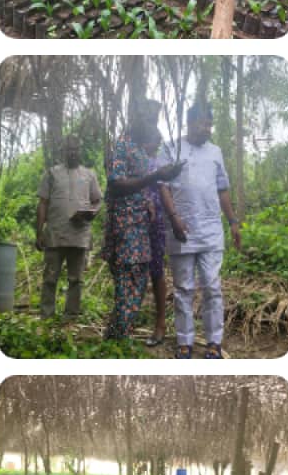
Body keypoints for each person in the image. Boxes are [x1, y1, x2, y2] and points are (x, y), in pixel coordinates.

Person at [158, 102, 241, 359]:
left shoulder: (215, 152)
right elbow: (162, 186)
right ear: (190, 123)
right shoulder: (171, 148)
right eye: (203, 123)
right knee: (183, 288)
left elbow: (222, 189)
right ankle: (185, 340)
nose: (207, 128)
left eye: (209, 124)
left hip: (211, 230)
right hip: (181, 229)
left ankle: (214, 341)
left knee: (212, 286)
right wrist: (174, 219)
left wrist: (233, 222)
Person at [102, 107, 183, 339]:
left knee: (137, 278)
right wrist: (155, 177)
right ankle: (117, 339)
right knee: (128, 277)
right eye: (148, 119)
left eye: (155, 120)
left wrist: (150, 197)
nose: (152, 124)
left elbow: (143, 184)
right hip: (126, 225)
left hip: (141, 226)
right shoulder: (121, 147)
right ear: (136, 119)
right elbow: (116, 184)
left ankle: (119, 335)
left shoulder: (139, 149)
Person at [35, 136, 102, 320]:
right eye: (69, 149)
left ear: (80, 150)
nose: (72, 153)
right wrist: (39, 231)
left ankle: (71, 316)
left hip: (79, 235)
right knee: (50, 278)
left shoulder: (89, 175)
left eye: (75, 149)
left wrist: (92, 212)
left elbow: (97, 201)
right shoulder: (52, 173)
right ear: (63, 151)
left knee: (76, 279)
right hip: (55, 234)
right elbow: (43, 203)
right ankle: (46, 316)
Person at [142, 127, 168, 346]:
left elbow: (165, 191)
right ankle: (130, 319)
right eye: (152, 141)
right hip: (133, 223)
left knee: (157, 272)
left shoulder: (159, 164)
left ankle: (160, 324)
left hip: (155, 224)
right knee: (135, 272)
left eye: (157, 142)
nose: (154, 145)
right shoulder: (132, 161)